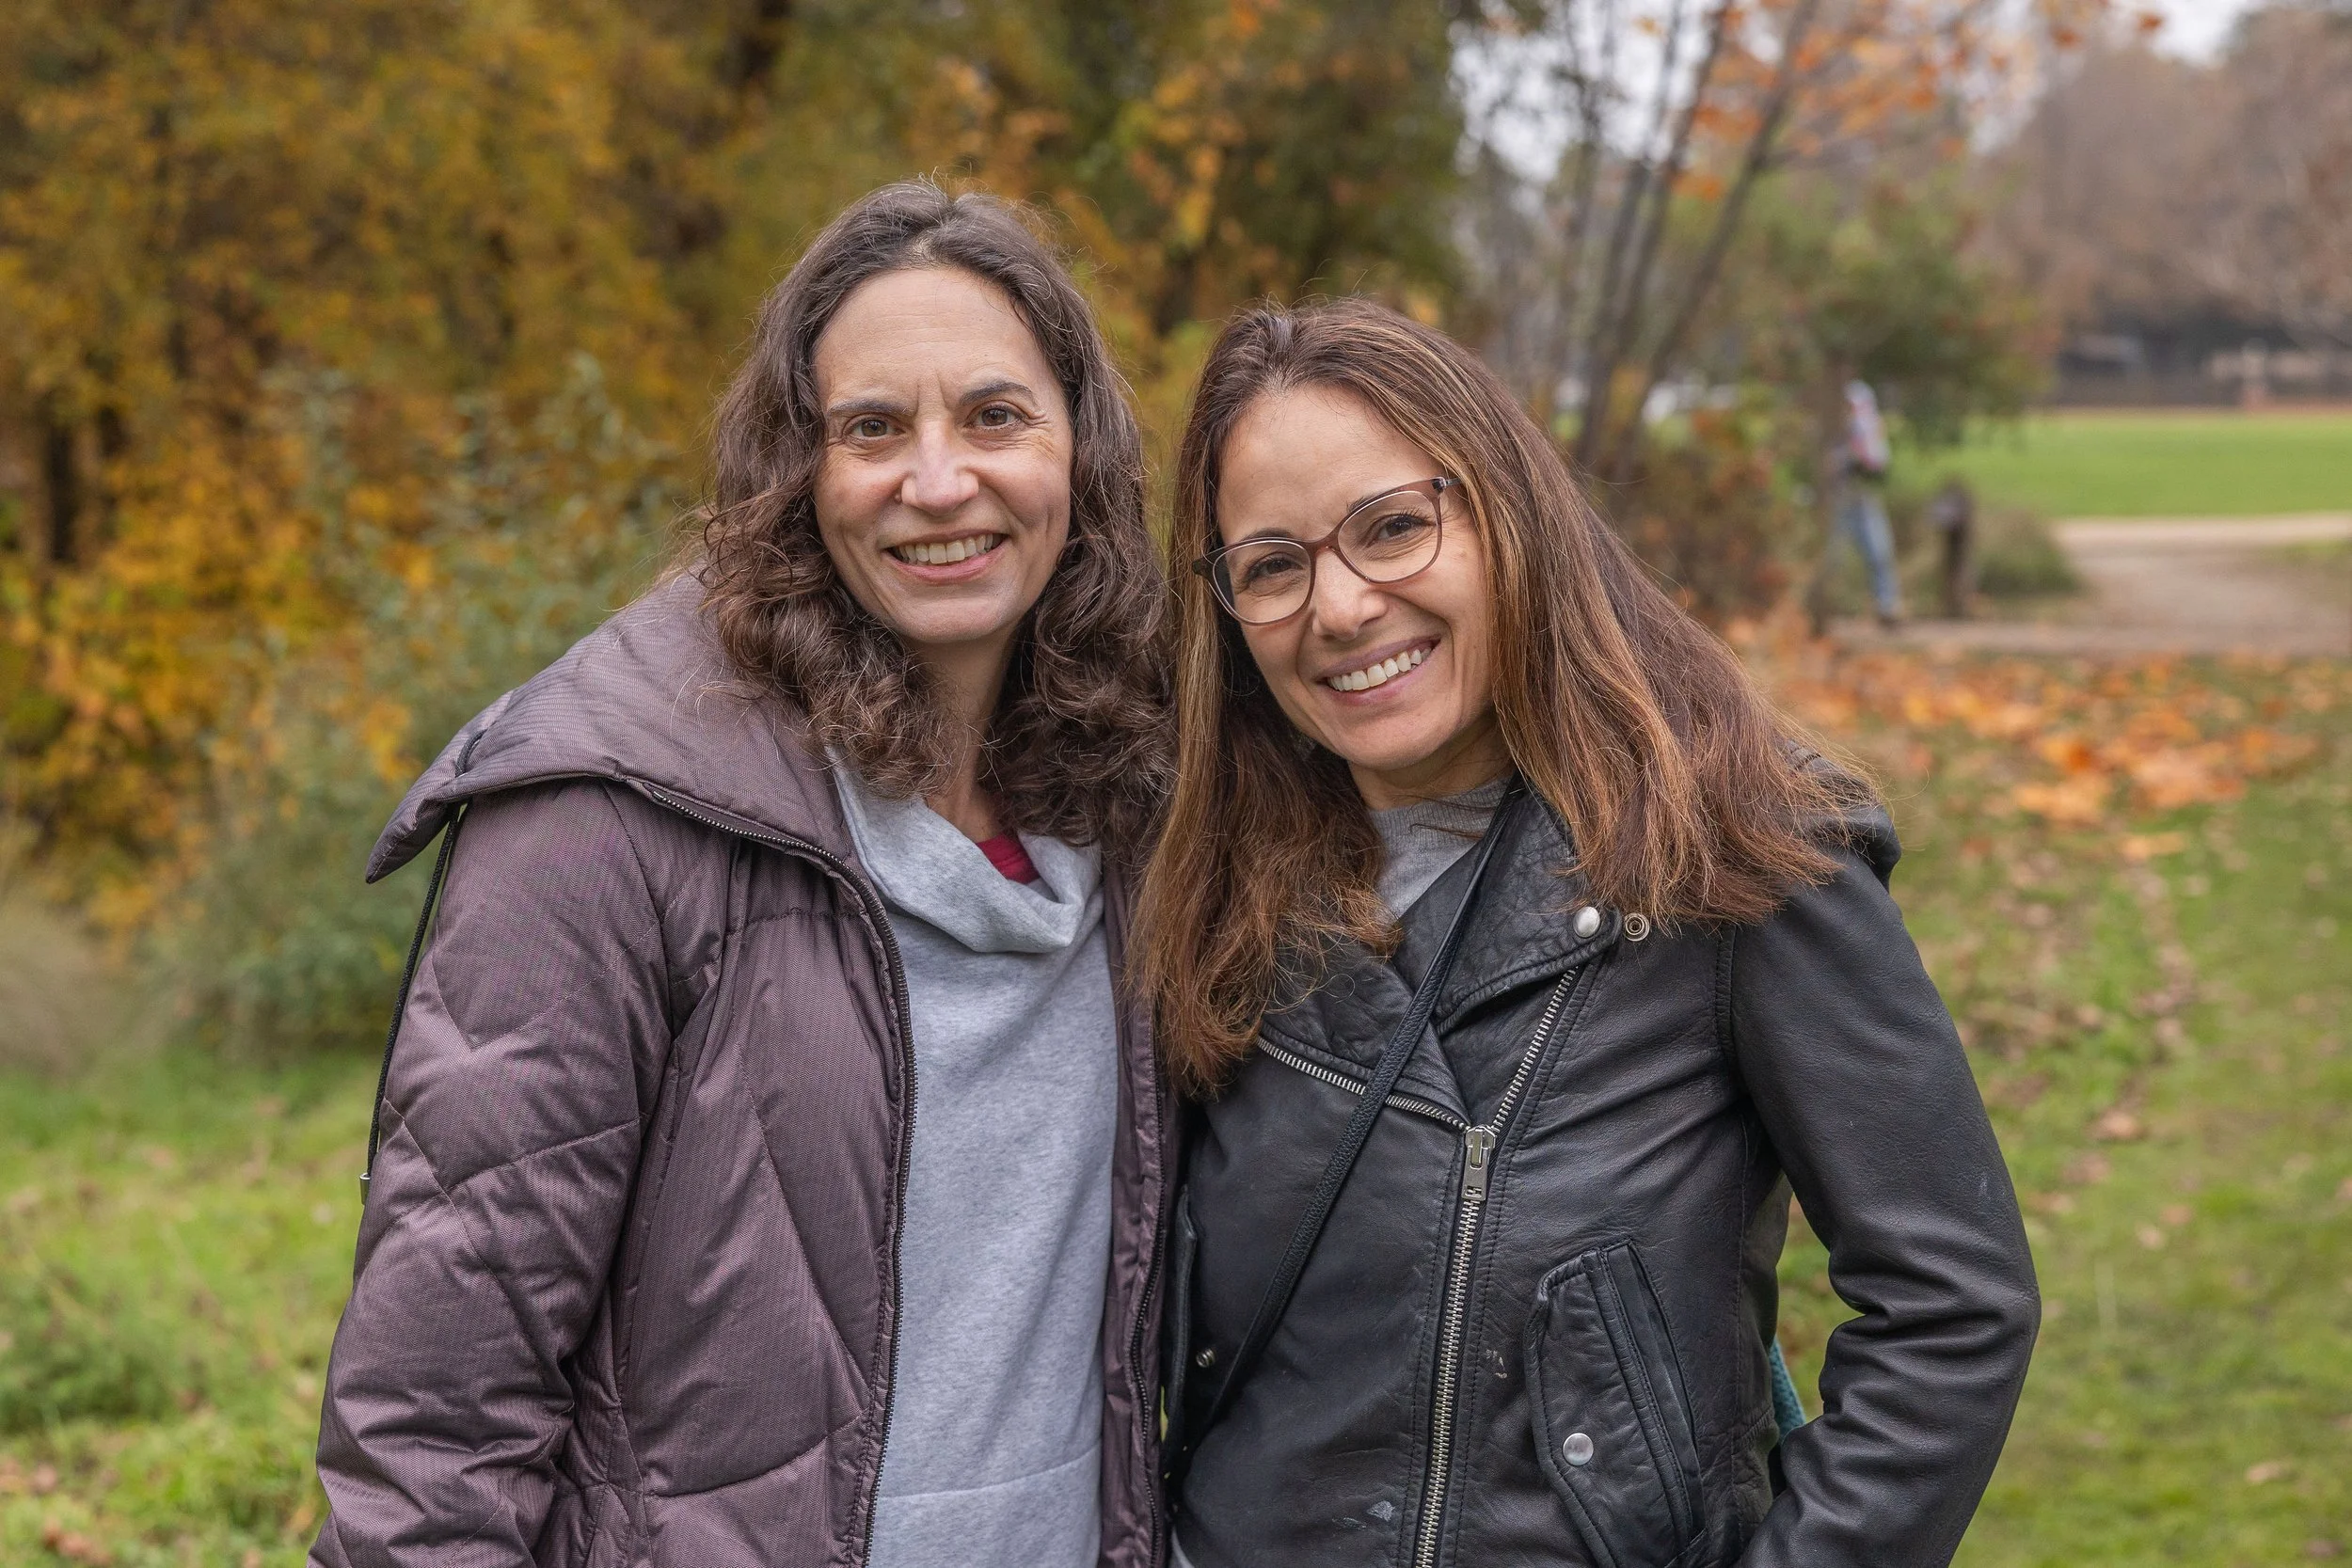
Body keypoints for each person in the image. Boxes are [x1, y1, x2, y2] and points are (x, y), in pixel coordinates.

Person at [310, 182, 1175, 1568]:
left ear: (1080, 450)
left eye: (996, 415)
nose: (939, 480)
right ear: (798, 471)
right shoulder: (605, 813)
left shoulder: (1131, 796)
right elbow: (435, 1419)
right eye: (873, 427)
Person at [1137, 299, 2037, 1568]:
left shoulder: (1730, 850)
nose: (1337, 606)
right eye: (1273, 564)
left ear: (1506, 513)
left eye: (1393, 526)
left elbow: (1954, 1307)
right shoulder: (1201, 886)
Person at [1831, 377, 1903, 626]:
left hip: (1863, 498)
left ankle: (1887, 606)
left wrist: (1860, 460)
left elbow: (1878, 464)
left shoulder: (1869, 428)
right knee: (1832, 556)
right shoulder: (1831, 431)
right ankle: (1825, 607)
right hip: (1837, 501)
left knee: (1879, 552)